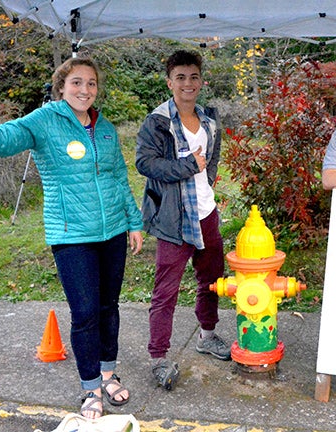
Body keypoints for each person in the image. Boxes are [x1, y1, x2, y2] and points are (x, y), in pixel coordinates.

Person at [0, 57, 144, 419]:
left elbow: (118, 179)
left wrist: (134, 222)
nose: (85, 90)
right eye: (77, 82)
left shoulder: (107, 128)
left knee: (108, 308)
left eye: (92, 83)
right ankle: (90, 388)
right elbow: (1, 140)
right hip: (71, 235)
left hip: (113, 232)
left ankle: (109, 373)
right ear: (62, 85)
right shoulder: (44, 121)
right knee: (84, 314)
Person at [135, 50, 230, 391]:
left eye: (193, 77)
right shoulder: (157, 122)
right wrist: (188, 166)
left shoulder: (208, 120)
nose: (187, 83)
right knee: (166, 292)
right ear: (169, 81)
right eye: (180, 77)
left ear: (201, 81)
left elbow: (212, 158)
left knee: (211, 279)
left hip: (206, 214)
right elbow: (145, 164)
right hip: (175, 222)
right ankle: (158, 357)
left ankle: (207, 335)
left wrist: (206, 177)